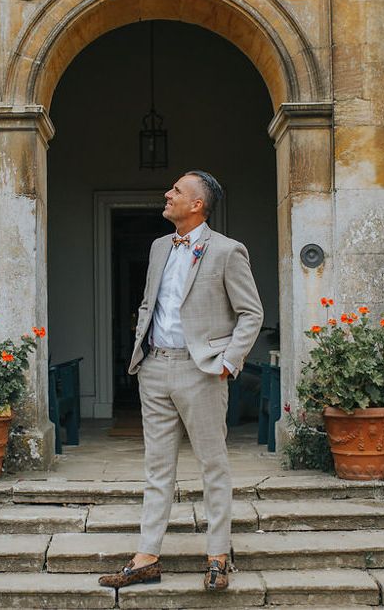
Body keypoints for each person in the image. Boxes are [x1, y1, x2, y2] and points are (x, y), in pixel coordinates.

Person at [98, 170, 263, 591]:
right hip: (154, 369)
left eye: (176, 191)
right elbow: (149, 302)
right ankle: (146, 557)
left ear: (197, 206)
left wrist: (228, 362)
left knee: (213, 466)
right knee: (157, 468)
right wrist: (142, 349)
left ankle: (218, 557)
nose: (167, 194)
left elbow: (251, 313)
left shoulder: (227, 251)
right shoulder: (158, 247)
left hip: (201, 370)